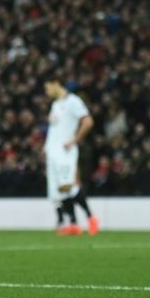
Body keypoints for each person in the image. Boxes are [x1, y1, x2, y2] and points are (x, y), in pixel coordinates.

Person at [43, 80, 99, 236]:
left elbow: (88, 121)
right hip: (53, 152)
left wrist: (75, 140)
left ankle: (91, 218)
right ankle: (73, 224)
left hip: (65, 151)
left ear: (56, 84)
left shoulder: (73, 101)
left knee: (69, 186)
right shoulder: (55, 104)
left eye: (47, 88)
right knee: (59, 191)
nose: (46, 93)